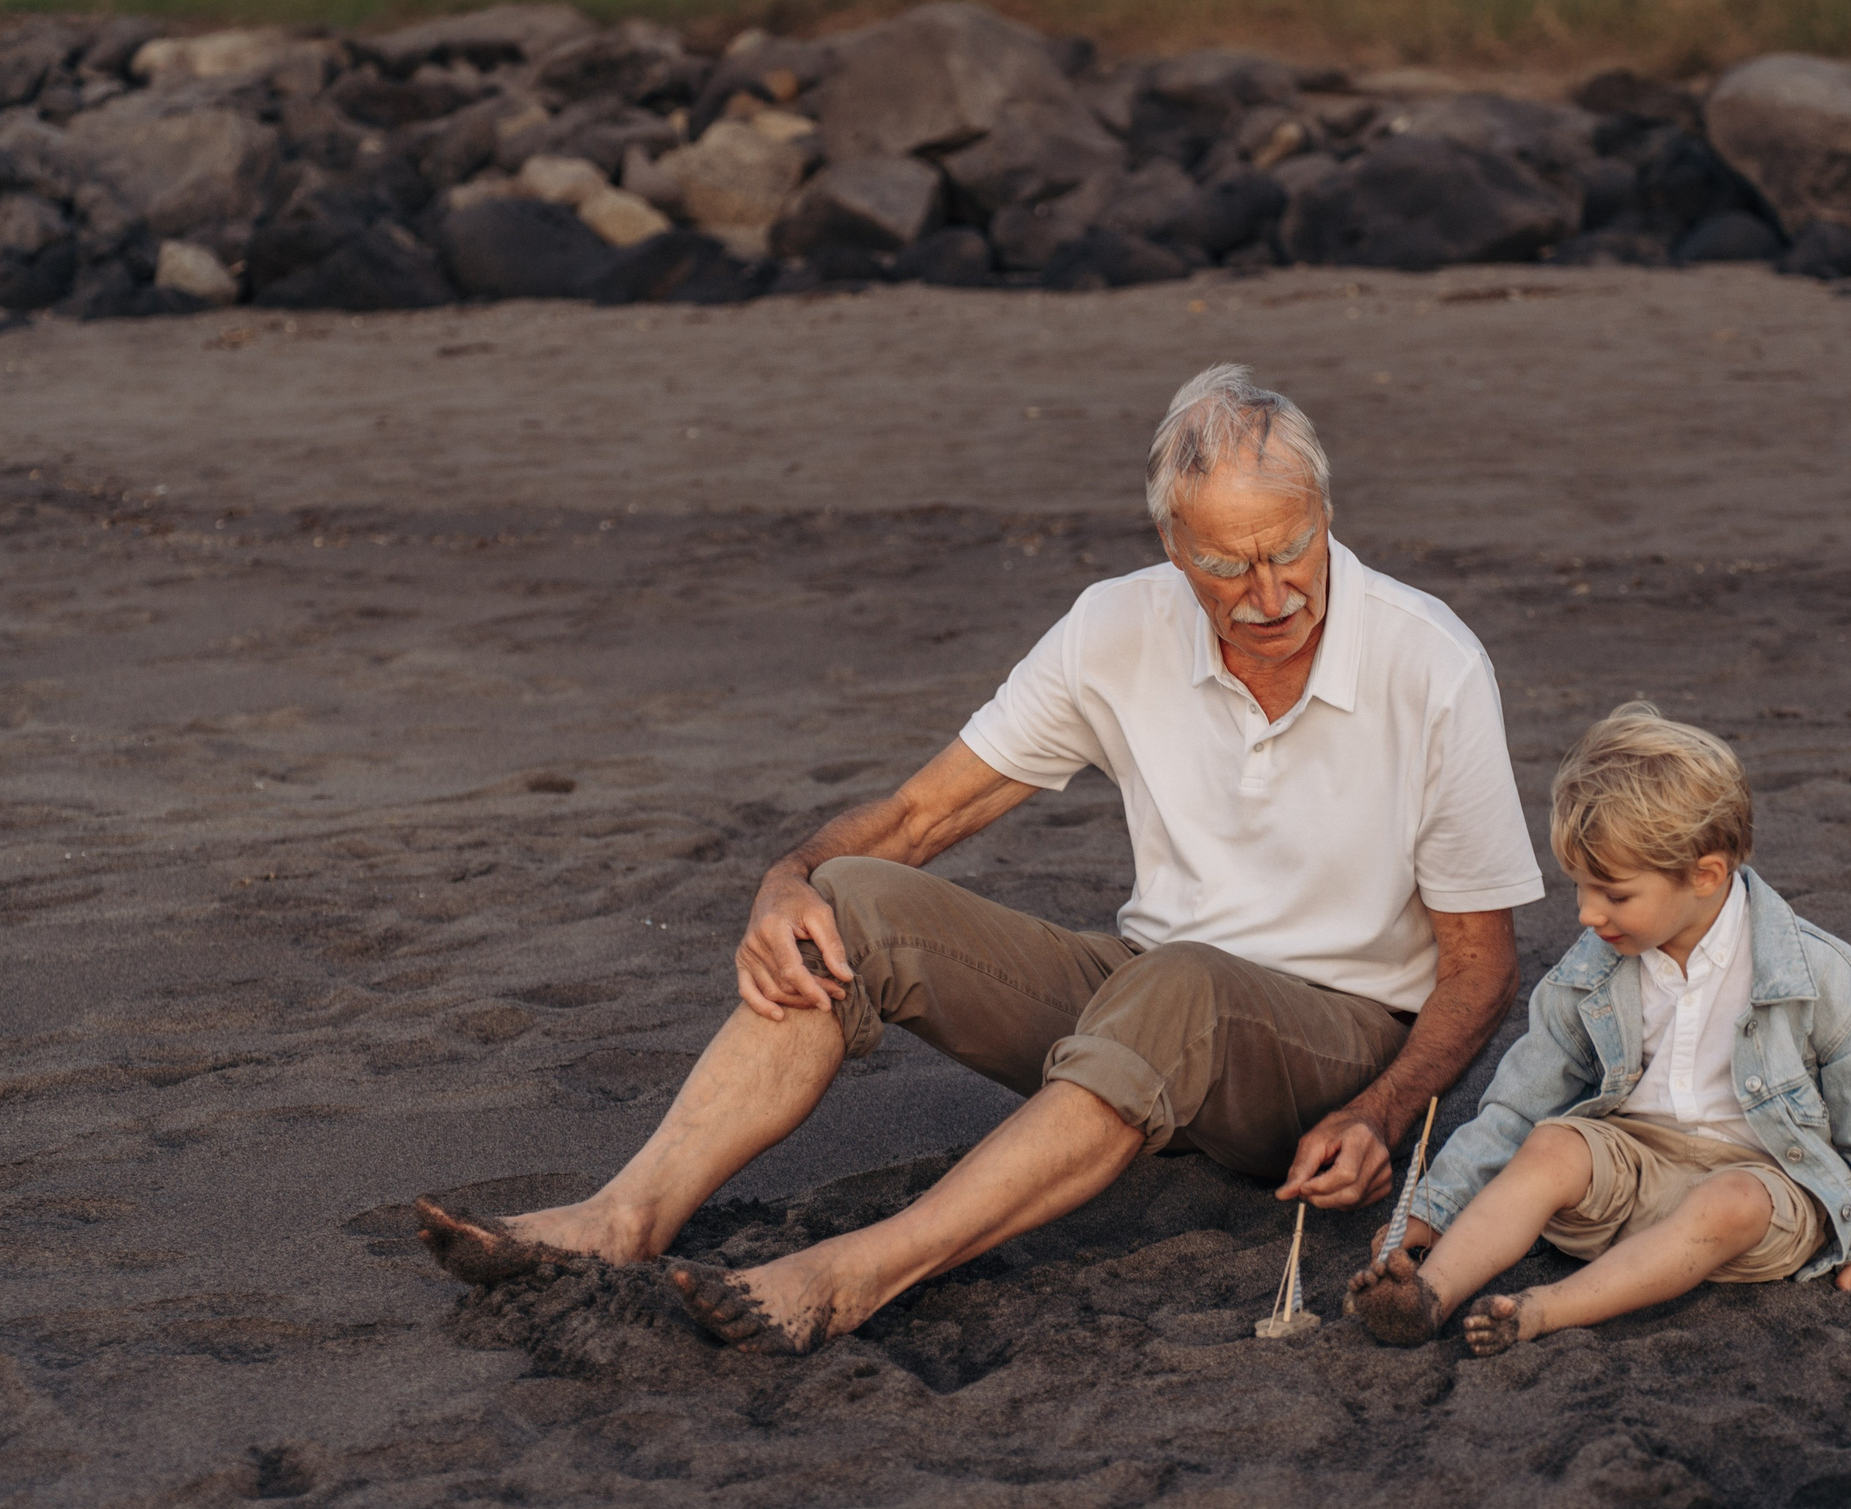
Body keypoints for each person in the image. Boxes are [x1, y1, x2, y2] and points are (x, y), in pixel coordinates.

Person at [416, 363, 1547, 1355]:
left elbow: (1482, 968)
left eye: (1290, 549)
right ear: (1169, 547)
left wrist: (1384, 1115)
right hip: (1150, 1002)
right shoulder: (1116, 625)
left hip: (1333, 1051)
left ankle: (857, 1273)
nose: (1269, 594)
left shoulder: (1428, 661)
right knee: (854, 901)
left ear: (1325, 512)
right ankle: (628, 1215)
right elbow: (917, 816)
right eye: (1225, 566)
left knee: (1180, 987)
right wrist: (785, 877)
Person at [1348, 702, 1851, 1352]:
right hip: (1626, 1174)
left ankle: (1543, 1309)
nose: (1587, 913)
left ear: (1705, 874)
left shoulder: (1831, 978)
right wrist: (1434, 1204)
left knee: (1729, 1199)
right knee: (1550, 1143)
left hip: (1756, 1193)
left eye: (1614, 893)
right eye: (1580, 888)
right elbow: (1516, 1105)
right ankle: (1428, 1292)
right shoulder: (1589, 974)